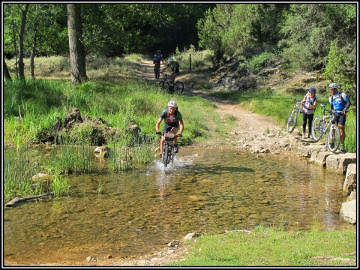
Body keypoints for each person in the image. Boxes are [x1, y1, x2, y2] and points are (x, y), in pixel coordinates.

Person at [328, 83, 351, 153]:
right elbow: (331, 107)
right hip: (335, 114)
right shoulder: (331, 98)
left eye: (331, 89)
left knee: (341, 128)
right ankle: (332, 143)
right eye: (329, 89)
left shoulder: (342, 95)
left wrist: (345, 109)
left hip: (341, 114)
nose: (330, 91)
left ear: (335, 89)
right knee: (333, 128)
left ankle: (342, 146)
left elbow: (348, 103)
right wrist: (331, 111)